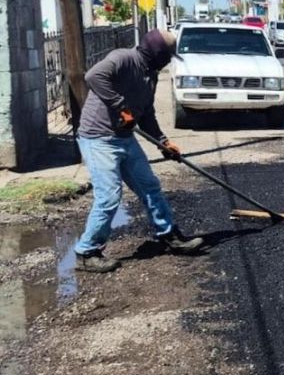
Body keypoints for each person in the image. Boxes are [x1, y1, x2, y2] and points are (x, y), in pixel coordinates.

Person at [74, 29, 203, 273]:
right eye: (166, 56)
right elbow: (93, 76)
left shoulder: (150, 74)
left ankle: (169, 235)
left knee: (149, 185)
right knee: (109, 197)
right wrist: (120, 107)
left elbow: (147, 114)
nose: (168, 61)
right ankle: (87, 251)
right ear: (154, 53)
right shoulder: (122, 58)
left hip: (124, 138)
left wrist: (163, 142)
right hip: (99, 138)